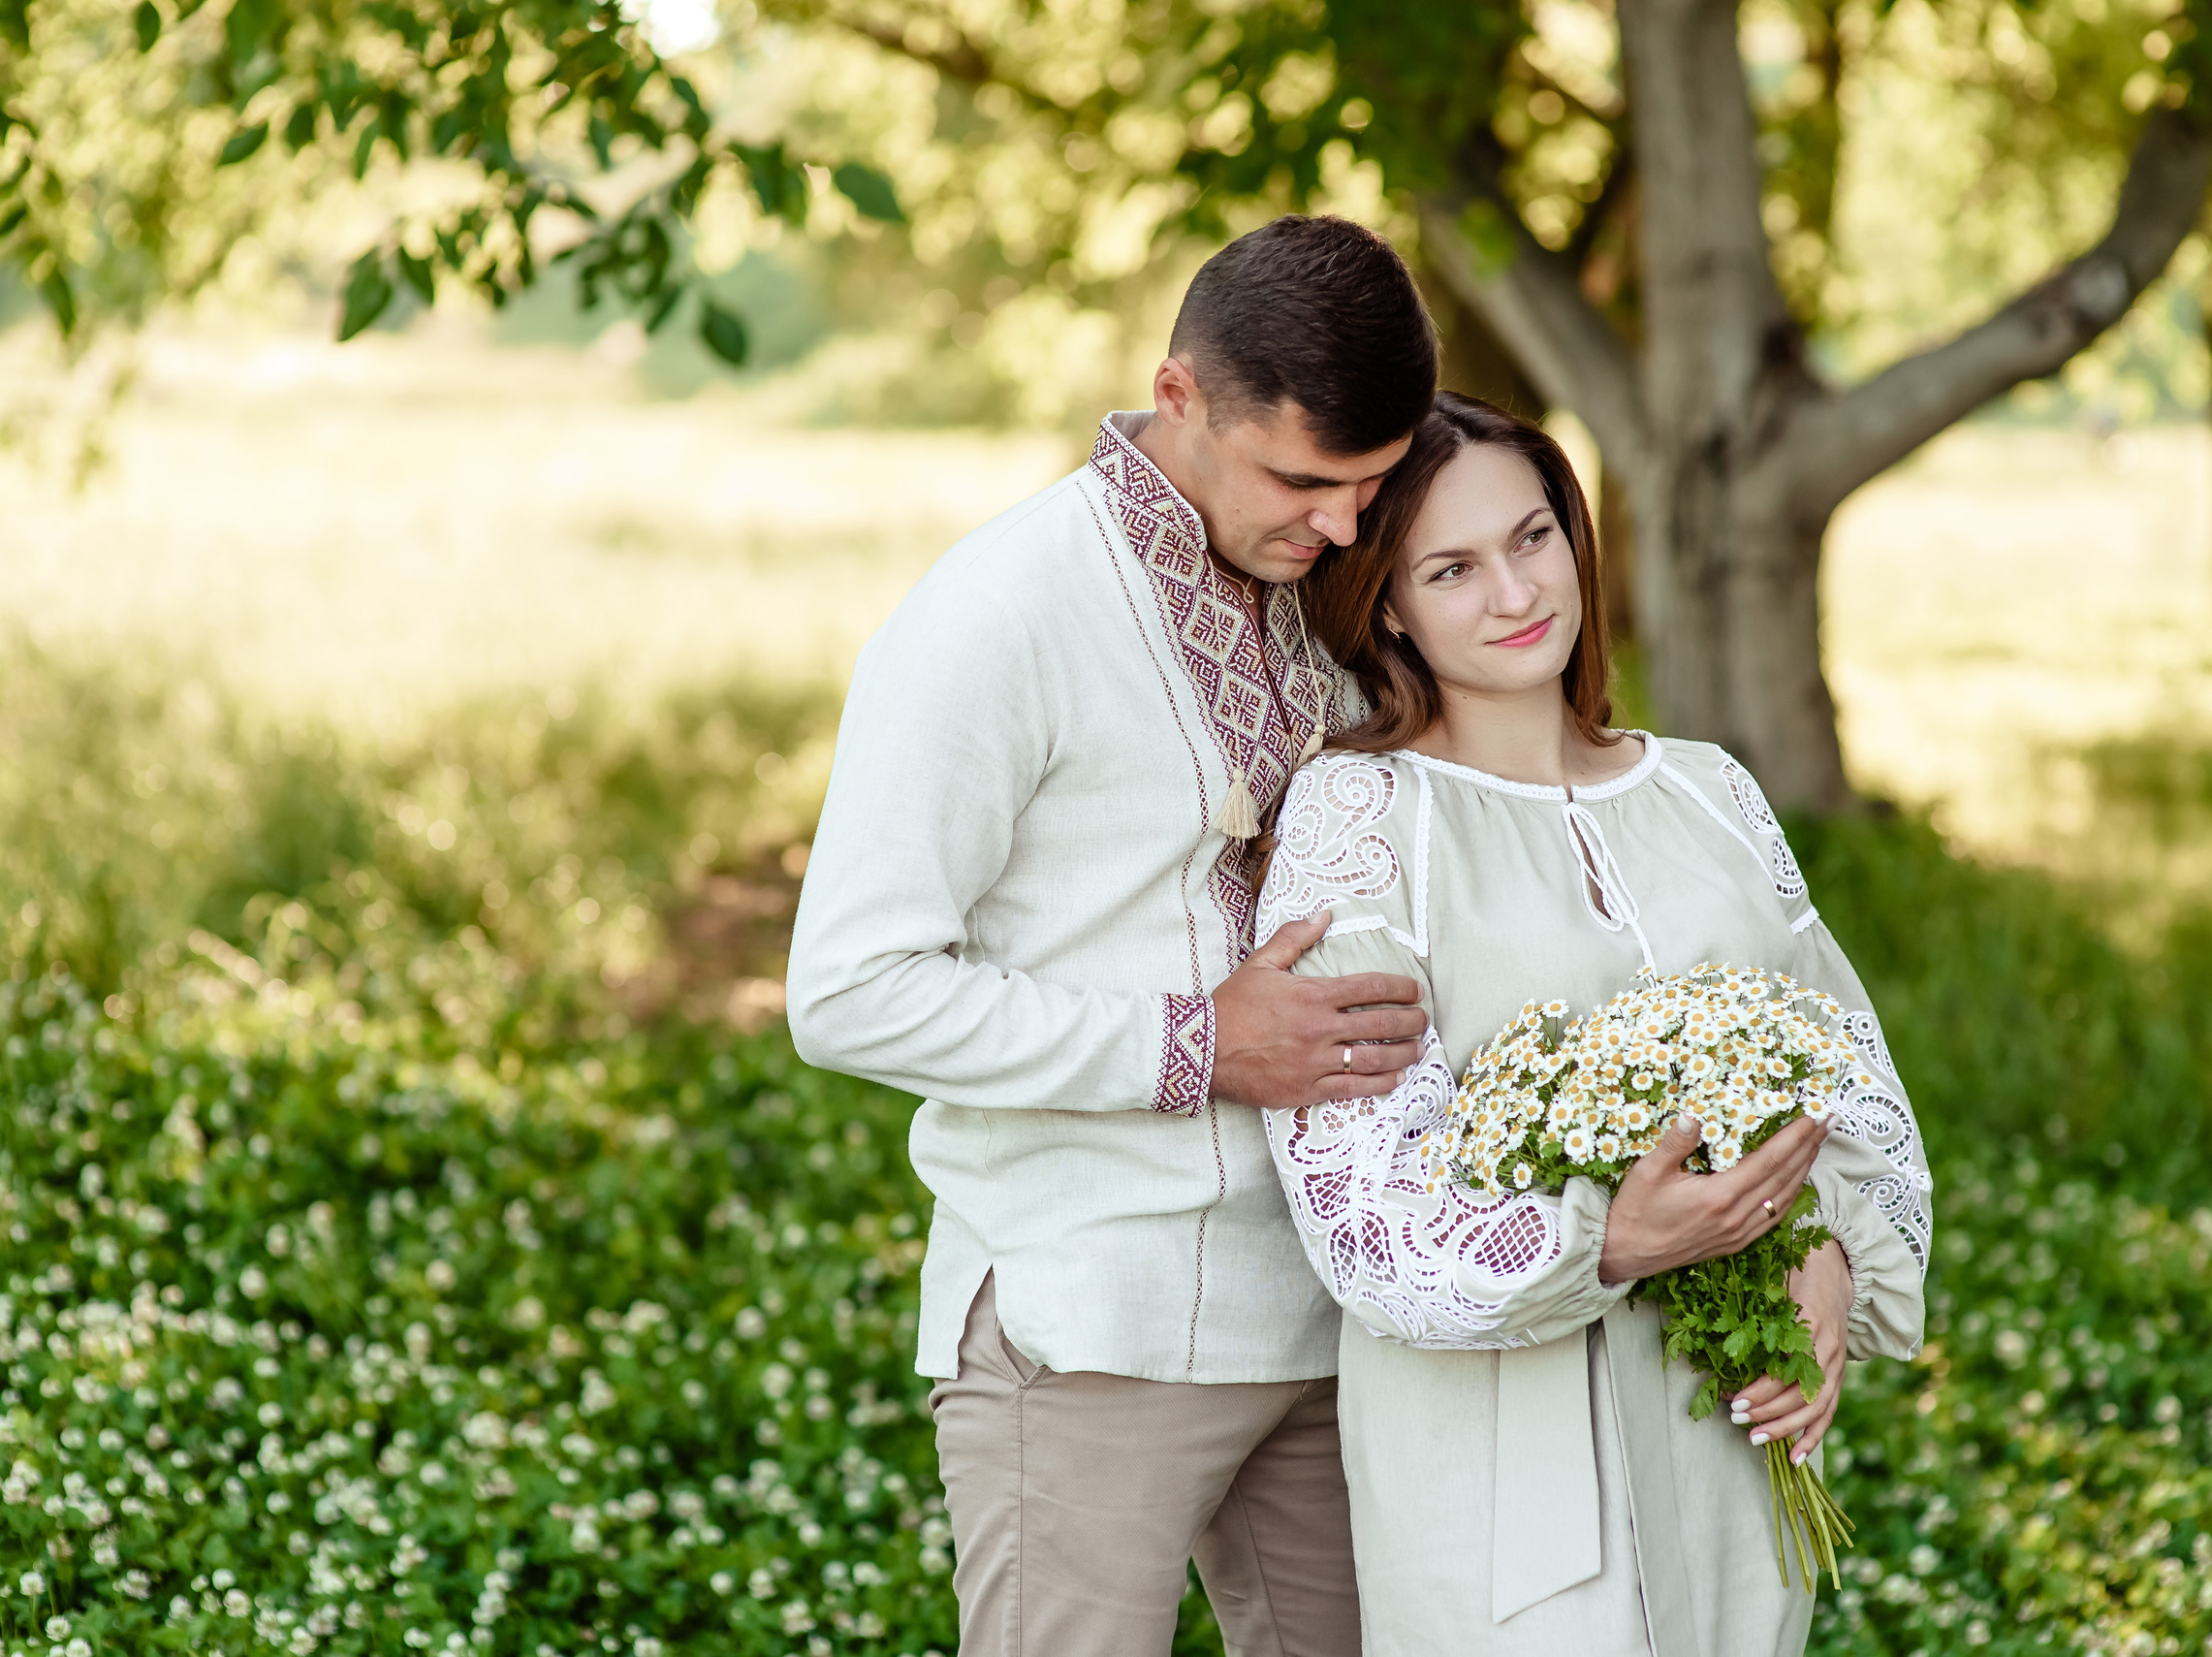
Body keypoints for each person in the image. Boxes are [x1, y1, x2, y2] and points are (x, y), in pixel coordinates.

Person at [785, 215, 1441, 1657]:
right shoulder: (993, 614)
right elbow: (847, 990)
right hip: (1087, 1321)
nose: (1340, 525)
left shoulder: (1322, 595)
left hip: (1340, 1312)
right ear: (1181, 392)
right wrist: (1200, 1041)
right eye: (1303, 480)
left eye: (1372, 487)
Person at [1256, 393, 1934, 1656]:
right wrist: (1603, 1238)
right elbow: (1358, 1200)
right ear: (1388, 603)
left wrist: (1832, 1253)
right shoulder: (1363, 818)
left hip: (1729, 1408)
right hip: (1505, 1467)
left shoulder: (1710, 788)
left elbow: (1847, 1062)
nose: (1515, 591)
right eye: (1453, 568)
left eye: (1535, 537)